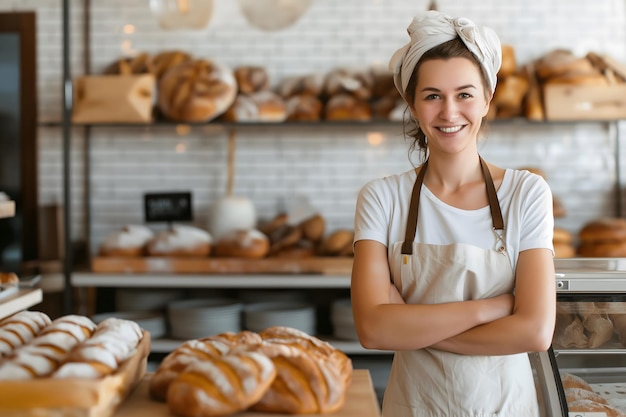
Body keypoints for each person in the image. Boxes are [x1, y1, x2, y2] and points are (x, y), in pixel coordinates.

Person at [350, 10, 556, 417]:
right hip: (414, 406)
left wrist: (410, 325)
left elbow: (534, 331)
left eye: (464, 94)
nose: (448, 113)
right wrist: (492, 308)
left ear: (487, 98)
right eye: (432, 96)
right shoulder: (382, 198)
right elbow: (373, 330)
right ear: (412, 103)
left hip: (506, 408)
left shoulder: (526, 193)